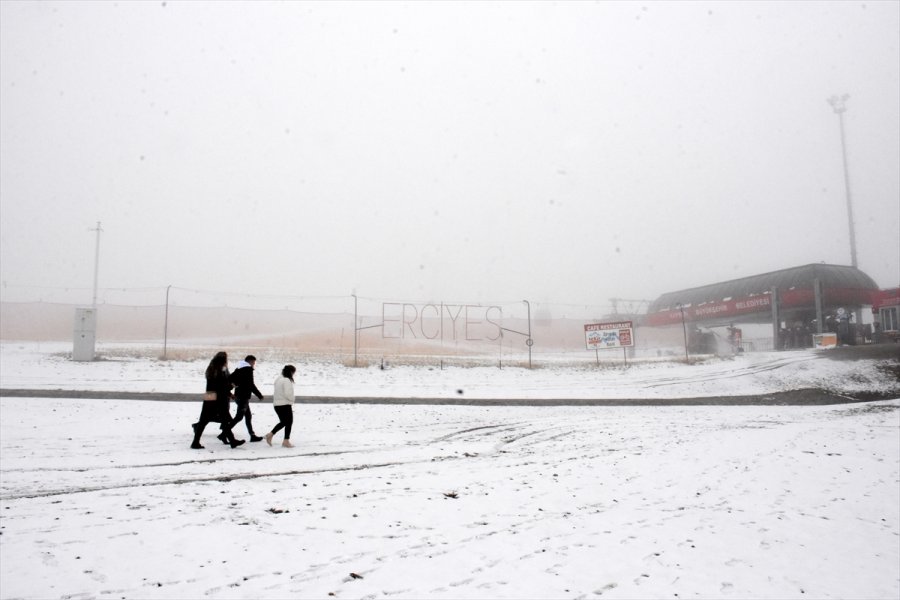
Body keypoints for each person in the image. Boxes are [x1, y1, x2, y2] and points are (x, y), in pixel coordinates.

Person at [190, 351, 245, 449]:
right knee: (224, 419)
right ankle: (232, 441)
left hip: (209, 395)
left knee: (204, 420)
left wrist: (229, 392)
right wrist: (232, 385)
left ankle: (195, 442)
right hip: (219, 397)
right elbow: (223, 385)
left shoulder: (211, 368)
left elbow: (216, 384)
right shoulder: (222, 370)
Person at [228, 355, 264, 442]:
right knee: (239, 417)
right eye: (253, 363)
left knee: (248, 416)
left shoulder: (239, 368)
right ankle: (224, 433)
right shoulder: (247, 370)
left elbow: (230, 378)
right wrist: (259, 395)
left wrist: (235, 385)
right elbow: (251, 385)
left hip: (238, 396)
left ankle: (252, 435)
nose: (254, 364)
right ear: (250, 361)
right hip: (243, 397)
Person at [265, 364, 296, 448]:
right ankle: (285, 441)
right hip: (285, 404)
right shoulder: (286, 380)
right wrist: (292, 400)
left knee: (284, 422)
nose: (293, 375)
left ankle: (270, 435)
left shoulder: (278, 379)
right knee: (288, 422)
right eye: (293, 373)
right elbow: (288, 393)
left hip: (277, 405)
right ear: (291, 372)